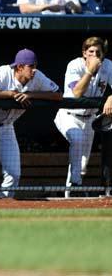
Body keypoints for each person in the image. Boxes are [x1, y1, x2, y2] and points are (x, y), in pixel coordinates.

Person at [0, 49, 62, 198]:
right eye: (30, 66)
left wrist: (30, 94)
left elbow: (58, 95)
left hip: (6, 126)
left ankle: (4, 203)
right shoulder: (4, 72)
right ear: (19, 67)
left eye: (35, 65)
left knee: (13, 172)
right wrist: (9, 94)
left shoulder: (37, 77)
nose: (34, 69)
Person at [54, 37, 112, 197]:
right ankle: (75, 186)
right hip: (68, 115)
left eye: (98, 53)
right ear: (84, 53)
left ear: (103, 55)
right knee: (77, 140)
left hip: (90, 119)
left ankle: (70, 193)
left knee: (82, 165)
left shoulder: (108, 66)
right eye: (90, 52)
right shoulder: (75, 65)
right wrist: (90, 71)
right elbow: (77, 93)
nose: (94, 55)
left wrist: (110, 97)